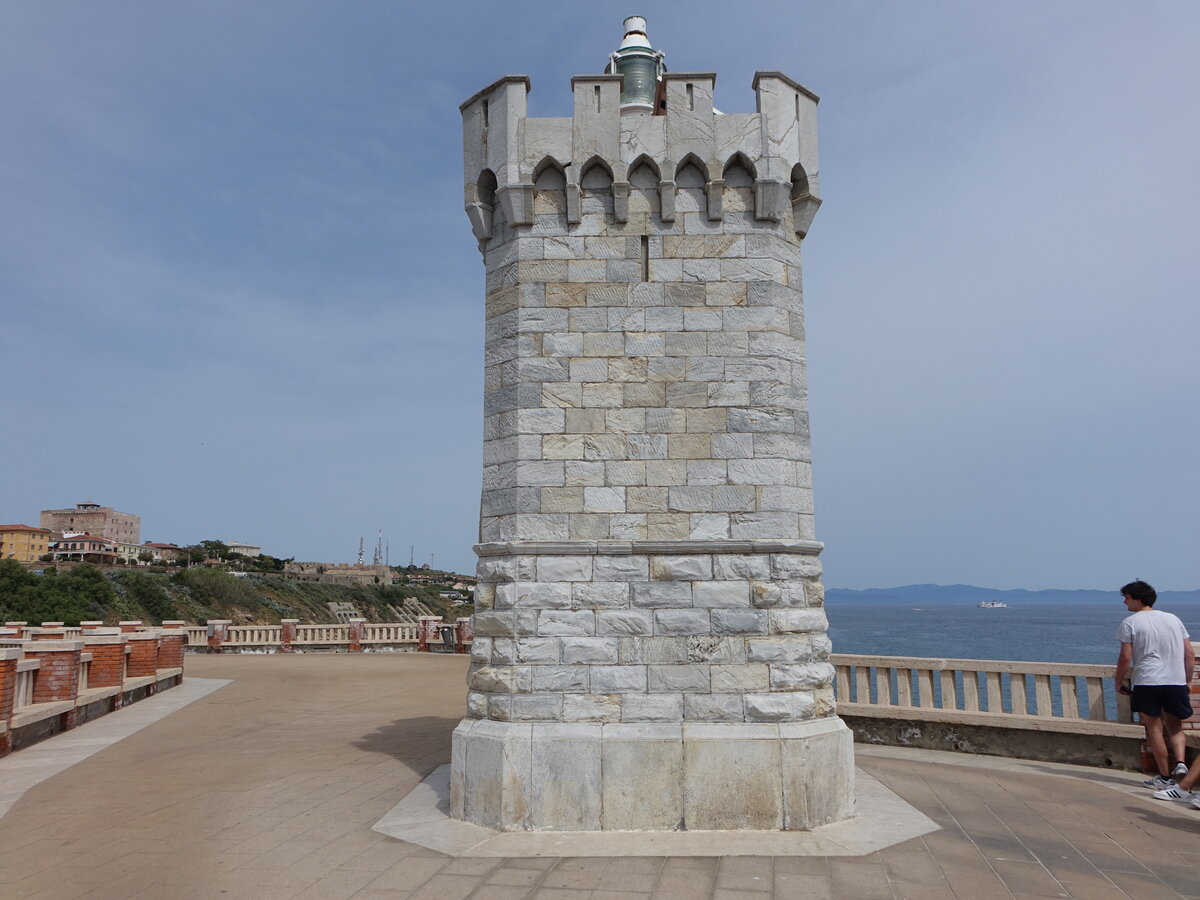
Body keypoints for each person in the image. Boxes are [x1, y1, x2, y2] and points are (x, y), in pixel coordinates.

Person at [1114, 579, 1195, 788]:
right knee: (1176, 727)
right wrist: (1186, 680)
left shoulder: (1131, 622)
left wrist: (1118, 681)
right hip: (1175, 680)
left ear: (1137, 599)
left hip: (1148, 680)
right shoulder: (1173, 619)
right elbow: (1189, 653)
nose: (1125, 602)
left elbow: (1125, 658)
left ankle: (1165, 777)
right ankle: (1180, 763)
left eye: (1127, 598)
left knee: (1155, 729)